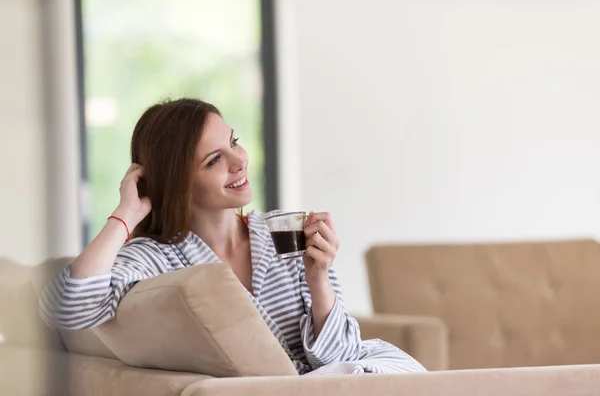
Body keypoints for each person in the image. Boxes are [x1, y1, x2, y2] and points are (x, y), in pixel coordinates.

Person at [39, 98, 425, 375]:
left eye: (233, 142)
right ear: (177, 183)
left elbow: (341, 352)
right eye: (214, 160)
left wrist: (319, 277)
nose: (240, 161)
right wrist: (125, 214)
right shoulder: (152, 258)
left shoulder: (281, 231)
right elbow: (65, 310)